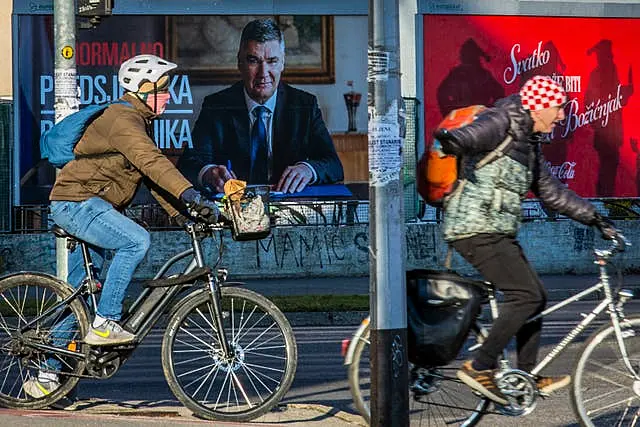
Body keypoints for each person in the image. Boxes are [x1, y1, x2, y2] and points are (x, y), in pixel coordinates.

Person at [23, 54, 220, 398]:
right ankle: (105, 324)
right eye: (164, 89)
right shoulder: (122, 119)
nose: (170, 96)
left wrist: (184, 215)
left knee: (82, 295)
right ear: (144, 89)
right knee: (135, 241)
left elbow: (151, 177)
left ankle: (46, 376)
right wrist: (191, 195)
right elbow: (152, 162)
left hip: (91, 205)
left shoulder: (135, 122)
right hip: (75, 203)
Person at [433, 75, 621, 404]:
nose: (562, 116)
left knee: (537, 296)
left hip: (496, 230)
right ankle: (480, 366)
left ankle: (525, 378)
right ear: (539, 107)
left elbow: (552, 194)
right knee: (525, 295)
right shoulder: (502, 120)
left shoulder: (530, 143)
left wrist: (595, 217)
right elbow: (468, 137)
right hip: (473, 227)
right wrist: (451, 141)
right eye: (559, 108)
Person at [177, 18, 344, 195]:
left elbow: (333, 165)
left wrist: (308, 169)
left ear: (282, 63)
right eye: (253, 61)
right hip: (234, 210)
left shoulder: (305, 105)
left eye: (272, 61)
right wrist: (208, 173)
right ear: (239, 62)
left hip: (289, 211)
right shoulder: (216, 106)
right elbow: (187, 163)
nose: (263, 73)